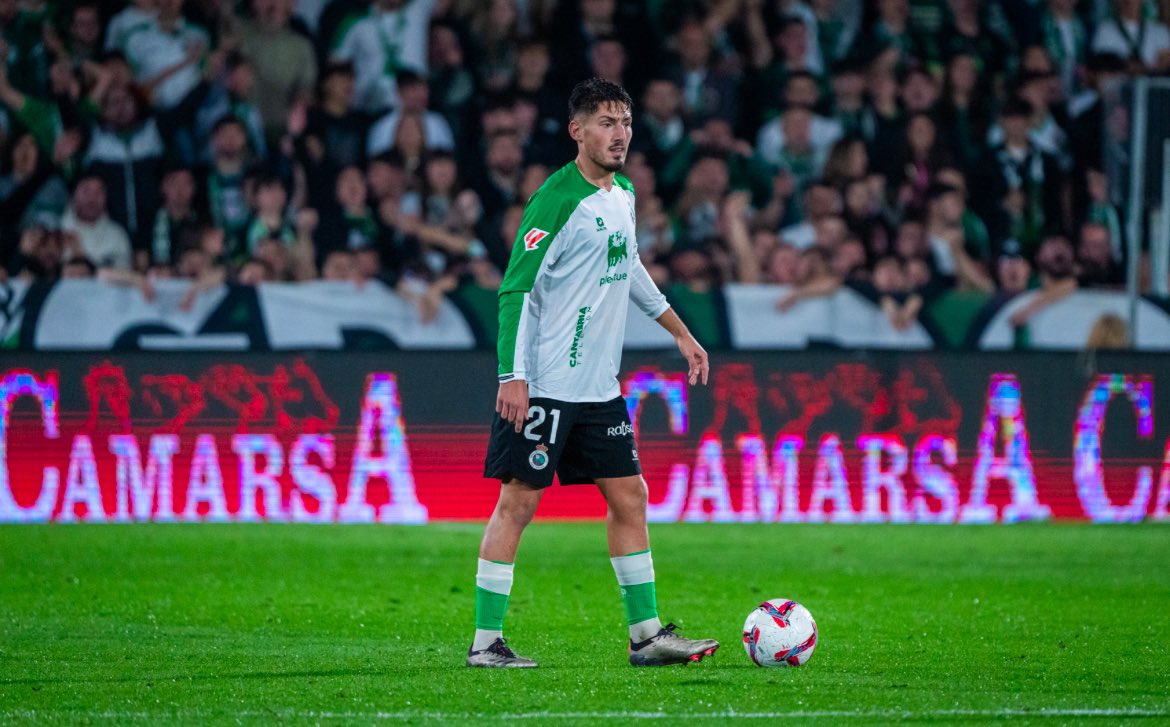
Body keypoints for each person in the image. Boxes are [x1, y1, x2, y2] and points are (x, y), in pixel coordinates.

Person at [470, 77, 719, 669]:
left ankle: (647, 636)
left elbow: (628, 267)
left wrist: (680, 332)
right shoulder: (555, 200)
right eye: (606, 123)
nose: (620, 134)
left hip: (599, 390)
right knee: (518, 504)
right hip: (548, 386)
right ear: (577, 130)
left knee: (630, 496)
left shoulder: (623, 193)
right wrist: (513, 375)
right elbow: (515, 290)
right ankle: (485, 644)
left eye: (626, 122)